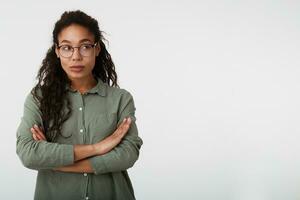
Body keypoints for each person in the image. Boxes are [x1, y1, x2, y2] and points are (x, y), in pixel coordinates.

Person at [16, 10, 143, 200]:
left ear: (96, 49)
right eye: (67, 47)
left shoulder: (120, 99)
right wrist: (98, 148)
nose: (76, 56)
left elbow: (127, 154)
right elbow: (28, 153)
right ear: (57, 51)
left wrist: (54, 161)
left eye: (85, 46)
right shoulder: (39, 98)